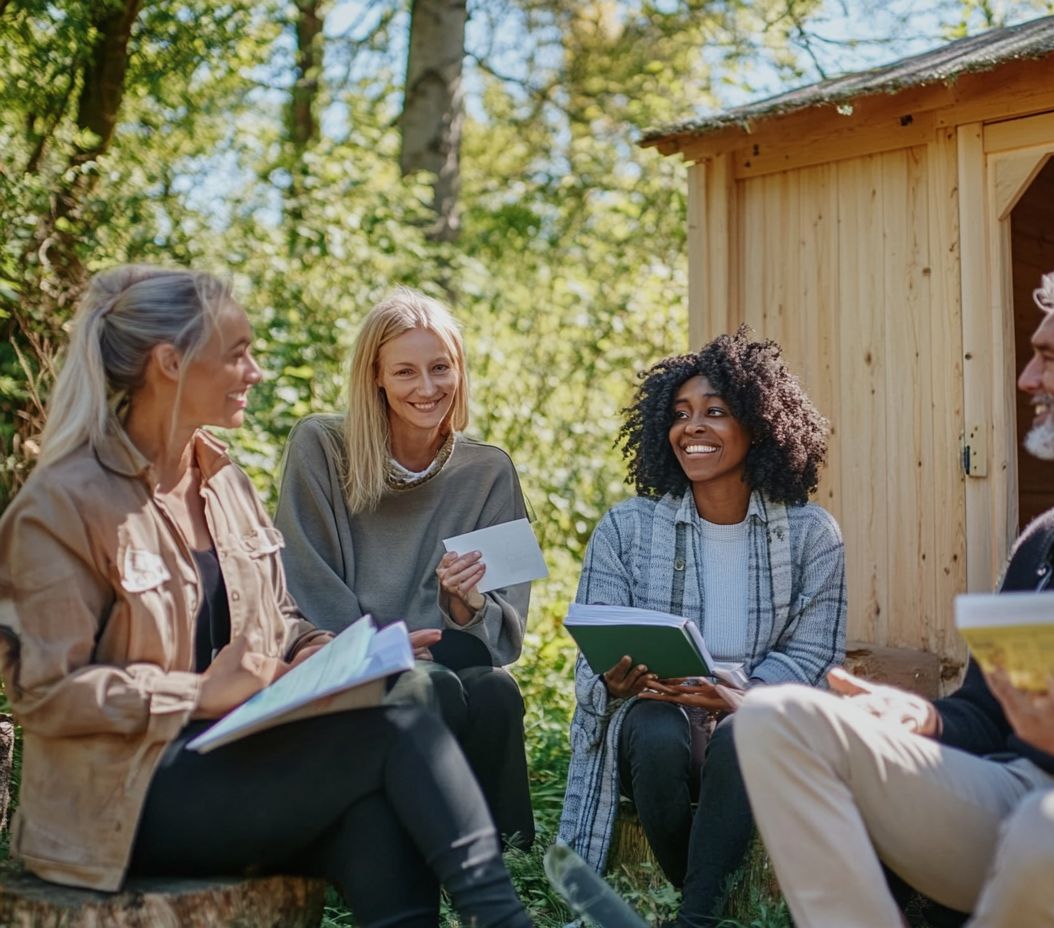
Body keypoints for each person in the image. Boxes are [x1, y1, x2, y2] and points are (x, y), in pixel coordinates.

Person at [0, 265, 531, 928]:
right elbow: (43, 693)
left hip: (228, 759)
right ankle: (507, 919)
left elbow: (279, 619)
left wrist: (333, 651)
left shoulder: (225, 486)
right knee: (397, 728)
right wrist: (198, 695)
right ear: (170, 364)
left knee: (377, 823)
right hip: (116, 801)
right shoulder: (62, 504)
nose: (254, 372)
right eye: (238, 354)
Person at [734, 245, 1054, 927]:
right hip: (1032, 802)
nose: (1028, 378)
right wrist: (928, 718)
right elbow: (993, 715)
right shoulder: (1048, 542)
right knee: (775, 719)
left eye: (1049, 356)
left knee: (1052, 827)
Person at [556, 328, 848, 928]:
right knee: (657, 728)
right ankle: (706, 902)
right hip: (655, 722)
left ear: (760, 427)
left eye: (715, 412)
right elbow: (591, 659)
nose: (693, 427)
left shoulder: (813, 534)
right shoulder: (626, 529)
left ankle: (694, 917)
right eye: (682, 414)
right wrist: (618, 680)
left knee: (748, 729)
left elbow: (816, 653)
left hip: (753, 723)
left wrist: (738, 696)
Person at [274, 287, 534, 848]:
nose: (427, 388)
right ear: (377, 376)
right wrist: (382, 647)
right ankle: (418, 850)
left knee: (496, 693)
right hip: (351, 650)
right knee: (429, 686)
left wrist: (467, 603)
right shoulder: (320, 446)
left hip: (450, 647)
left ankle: (506, 858)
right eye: (406, 372)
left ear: (459, 370)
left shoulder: (488, 470)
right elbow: (305, 574)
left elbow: (505, 628)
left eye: (441, 368)